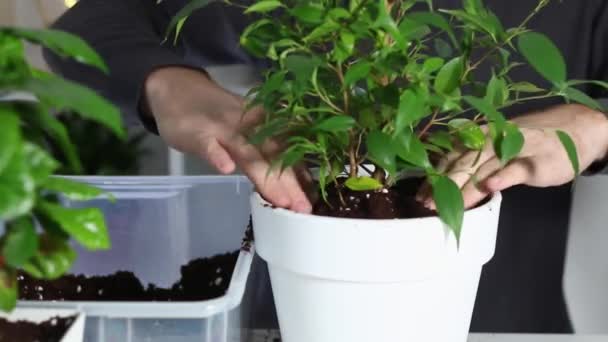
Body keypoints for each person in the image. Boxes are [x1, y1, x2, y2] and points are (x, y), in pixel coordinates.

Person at [45, 0, 608, 334]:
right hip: (295, 314)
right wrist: (170, 86)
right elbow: (92, 22)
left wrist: (594, 124)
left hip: (504, 325)